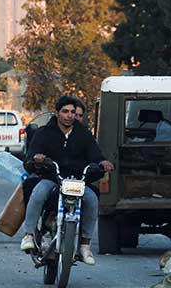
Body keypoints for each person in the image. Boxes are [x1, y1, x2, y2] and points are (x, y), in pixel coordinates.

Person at [19, 96, 114, 265]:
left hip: (77, 181)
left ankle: (85, 245)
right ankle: (29, 235)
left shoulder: (83, 134)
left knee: (92, 199)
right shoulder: (44, 133)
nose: (69, 115)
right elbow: (31, 157)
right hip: (53, 178)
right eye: (65, 111)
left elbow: (95, 154)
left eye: (72, 112)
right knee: (38, 193)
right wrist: (37, 158)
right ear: (57, 113)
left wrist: (102, 162)